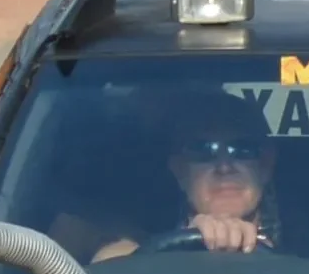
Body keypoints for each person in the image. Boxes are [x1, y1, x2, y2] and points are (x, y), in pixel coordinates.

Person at [91, 94, 278, 261]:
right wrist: (179, 251)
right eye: (202, 151)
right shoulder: (134, 256)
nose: (224, 167)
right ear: (179, 171)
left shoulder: (304, 254)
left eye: (242, 150)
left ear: (265, 167)